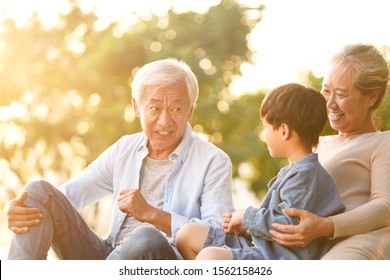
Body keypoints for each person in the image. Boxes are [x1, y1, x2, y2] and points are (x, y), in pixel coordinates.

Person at [4, 58, 234, 260]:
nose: (164, 122)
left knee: (147, 238)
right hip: (109, 256)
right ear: (136, 107)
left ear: (190, 110)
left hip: (162, 262)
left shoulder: (214, 161)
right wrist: (20, 209)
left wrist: (152, 215)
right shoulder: (125, 148)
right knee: (38, 192)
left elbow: (218, 238)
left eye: (176, 109)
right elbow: (67, 197)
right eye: (154, 108)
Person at [175, 83, 345, 260]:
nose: (264, 134)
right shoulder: (296, 171)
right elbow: (275, 220)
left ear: (284, 131)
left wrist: (246, 217)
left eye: (265, 126)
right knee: (187, 234)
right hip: (264, 247)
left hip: (278, 257)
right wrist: (248, 227)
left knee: (210, 258)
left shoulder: (306, 176)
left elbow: (287, 224)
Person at [269, 44, 390, 260]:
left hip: (354, 243)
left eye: (341, 94)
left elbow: (385, 206)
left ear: (371, 97)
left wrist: (326, 226)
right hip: (304, 246)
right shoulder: (314, 144)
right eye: (325, 90)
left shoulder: (382, 142)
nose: (330, 103)